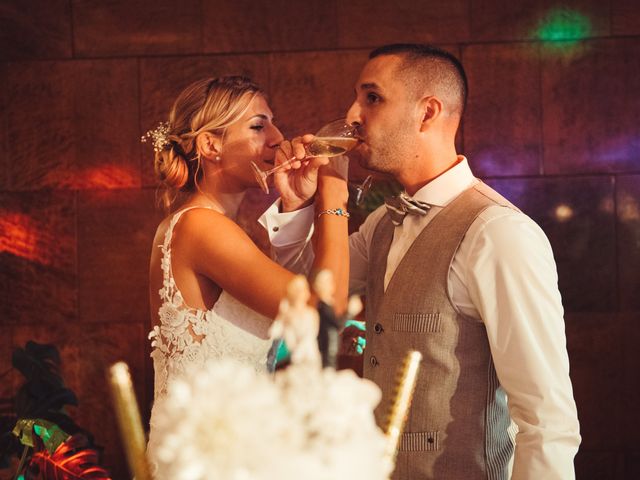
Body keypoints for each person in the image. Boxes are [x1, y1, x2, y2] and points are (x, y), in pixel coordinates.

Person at [262, 45, 581, 479]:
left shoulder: (498, 234)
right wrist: (299, 205)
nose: (352, 113)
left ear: (427, 112)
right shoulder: (382, 222)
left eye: (372, 98)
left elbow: (547, 418)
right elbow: (307, 294)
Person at [144, 76, 349, 470]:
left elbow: (283, 316)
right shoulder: (201, 227)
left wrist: (293, 204)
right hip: (208, 460)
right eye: (258, 126)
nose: (277, 137)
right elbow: (324, 312)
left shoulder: (222, 228)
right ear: (210, 145)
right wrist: (333, 196)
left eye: (273, 123)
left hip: (232, 452)